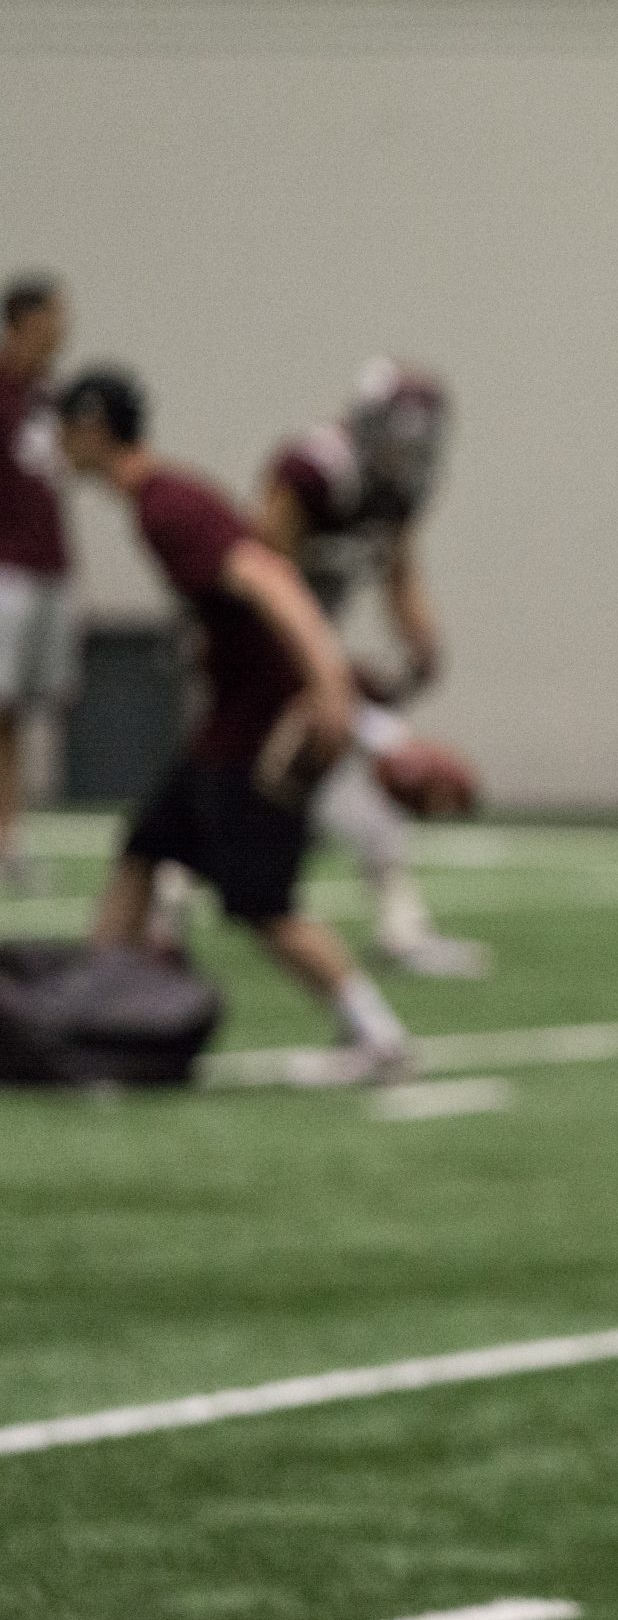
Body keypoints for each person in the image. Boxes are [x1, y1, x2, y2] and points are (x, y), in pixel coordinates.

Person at [55, 368, 412, 1085]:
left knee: (259, 899)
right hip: (230, 716)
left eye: (66, 430)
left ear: (92, 430)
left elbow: (272, 579)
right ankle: (84, 1018)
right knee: (145, 844)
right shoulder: (159, 498)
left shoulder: (165, 504)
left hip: (259, 720)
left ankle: (377, 1035)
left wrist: (329, 686)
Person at [255, 359, 484, 976]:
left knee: (325, 785)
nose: (410, 453)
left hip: (312, 650)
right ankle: (398, 930)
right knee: (236, 787)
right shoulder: (313, 472)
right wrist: (317, 668)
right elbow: (264, 574)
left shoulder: (396, 488)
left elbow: (398, 569)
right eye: (400, 438)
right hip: (259, 646)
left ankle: (400, 928)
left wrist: (420, 639)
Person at [0, 274, 76, 892]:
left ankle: (10, 833)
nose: (63, 331)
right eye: (54, 318)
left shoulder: (47, 400)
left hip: (47, 569)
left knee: (19, 712)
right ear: (23, 322)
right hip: (6, 572)